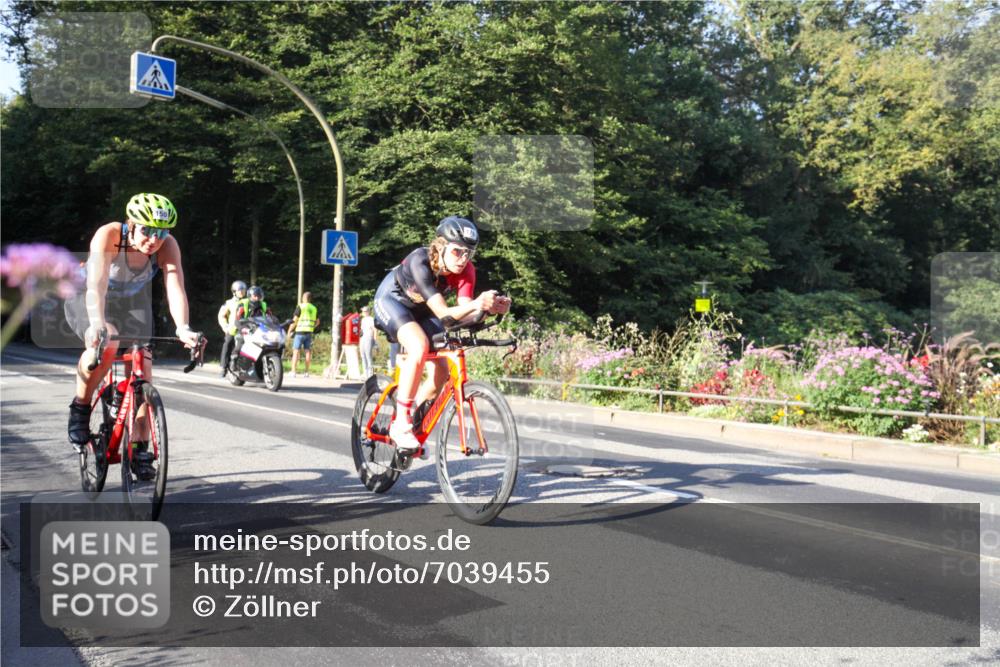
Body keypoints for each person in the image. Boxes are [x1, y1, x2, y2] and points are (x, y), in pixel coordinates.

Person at [65, 193, 202, 478]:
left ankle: (139, 448)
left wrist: (183, 327)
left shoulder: (168, 246)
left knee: (143, 371)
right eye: (147, 230)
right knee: (106, 342)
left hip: (131, 302)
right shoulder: (110, 235)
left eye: (161, 232)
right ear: (131, 224)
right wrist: (97, 323)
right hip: (89, 296)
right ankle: (80, 408)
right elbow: (97, 284)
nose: (154, 239)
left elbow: (175, 287)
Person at [373, 216, 511, 454]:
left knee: (442, 370)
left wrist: (488, 310)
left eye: (469, 253)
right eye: (457, 251)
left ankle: (413, 421)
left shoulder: (467, 270)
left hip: (423, 310)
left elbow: (463, 315)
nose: (463, 259)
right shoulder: (420, 261)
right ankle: (400, 423)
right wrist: (478, 303)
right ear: (440, 246)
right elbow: (445, 314)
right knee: (418, 345)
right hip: (392, 301)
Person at [231, 285, 269, 364]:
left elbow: (271, 317)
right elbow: (237, 320)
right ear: (250, 296)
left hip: (259, 330)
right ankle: (234, 359)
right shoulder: (243, 304)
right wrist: (243, 328)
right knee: (241, 341)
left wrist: (274, 325)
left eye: (259, 296)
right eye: (255, 296)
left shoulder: (263, 305)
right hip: (244, 328)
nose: (257, 298)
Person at [218, 280, 247, 376]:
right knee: (227, 343)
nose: (242, 292)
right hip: (233, 328)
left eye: (243, 289)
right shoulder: (229, 303)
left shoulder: (248, 301)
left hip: (246, 329)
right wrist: (225, 327)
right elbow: (221, 315)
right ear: (234, 291)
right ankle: (223, 366)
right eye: (239, 290)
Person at [290, 291, 319, 378]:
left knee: (296, 351)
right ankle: (306, 372)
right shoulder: (314, 308)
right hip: (309, 332)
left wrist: (289, 330)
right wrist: (312, 327)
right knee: (307, 352)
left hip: (299, 332)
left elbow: (295, 320)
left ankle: (293, 372)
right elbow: (318, 321)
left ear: (304, 298)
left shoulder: (300, 306)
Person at [359, 305, 376, 377]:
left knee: (368, 355)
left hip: (369, 338)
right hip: (362, 338)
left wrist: (375, 341)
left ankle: (370, 373)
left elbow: (375, 330)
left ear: (368, 312)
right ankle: (365, 372)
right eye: (362, 311)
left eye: (364, 311)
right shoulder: (363, 320)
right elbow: (362, 330)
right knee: (362, 355)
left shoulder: (371, 319)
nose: (362, 312)